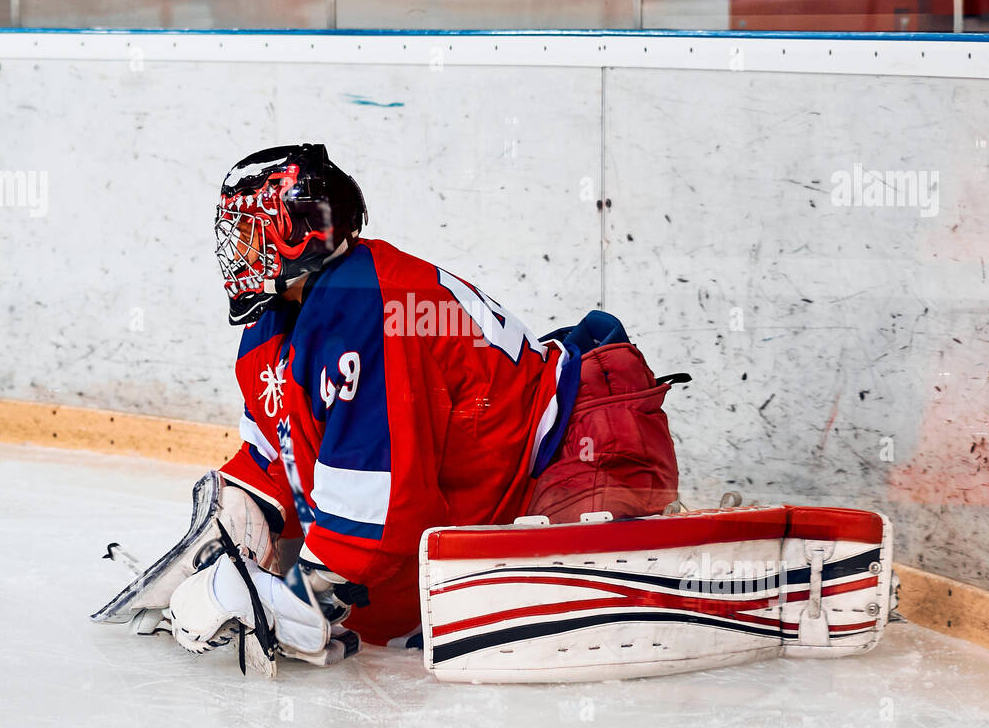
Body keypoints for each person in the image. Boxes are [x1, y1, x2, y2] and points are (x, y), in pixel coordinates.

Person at [166, 143, 683, 667]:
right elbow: (281, 460)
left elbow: (384, 512)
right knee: (394, 620)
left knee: (573, 626)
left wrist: (296, 599)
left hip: (582, 443)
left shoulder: (368, 307)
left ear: (301, 231)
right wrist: (237, 524)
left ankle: (642, 536)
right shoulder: (275, 327)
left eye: (251, 230)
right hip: (498, 484)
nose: (236, 249)